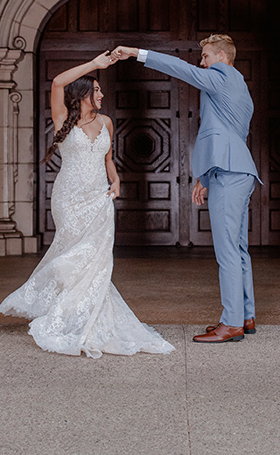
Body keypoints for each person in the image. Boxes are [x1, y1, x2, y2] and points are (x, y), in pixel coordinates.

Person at [0, 51, 174, 358]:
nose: (102, 94)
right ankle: (67, 315)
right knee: (72, 256)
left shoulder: (106, 122)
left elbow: (107, 159)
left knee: (96, 260)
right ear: (83, 95)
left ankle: (85, 315)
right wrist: (94, 65)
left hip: (99, 197)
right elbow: (57, 82)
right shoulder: (63, 118)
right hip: (68, 198)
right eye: (97, 90)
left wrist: (115, 180)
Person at [112, 35, 260, 344]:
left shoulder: (221, 76)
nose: (201, 62)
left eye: (206, 57)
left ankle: (231, 323)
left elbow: (178, 68)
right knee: (238, 249)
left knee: (227, 251)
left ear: (222, 56)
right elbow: (223, 133)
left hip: (230, 174)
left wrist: (136, 53)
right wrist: (204, 176)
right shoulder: (239, 87)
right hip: (235, 170)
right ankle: (245, 316)